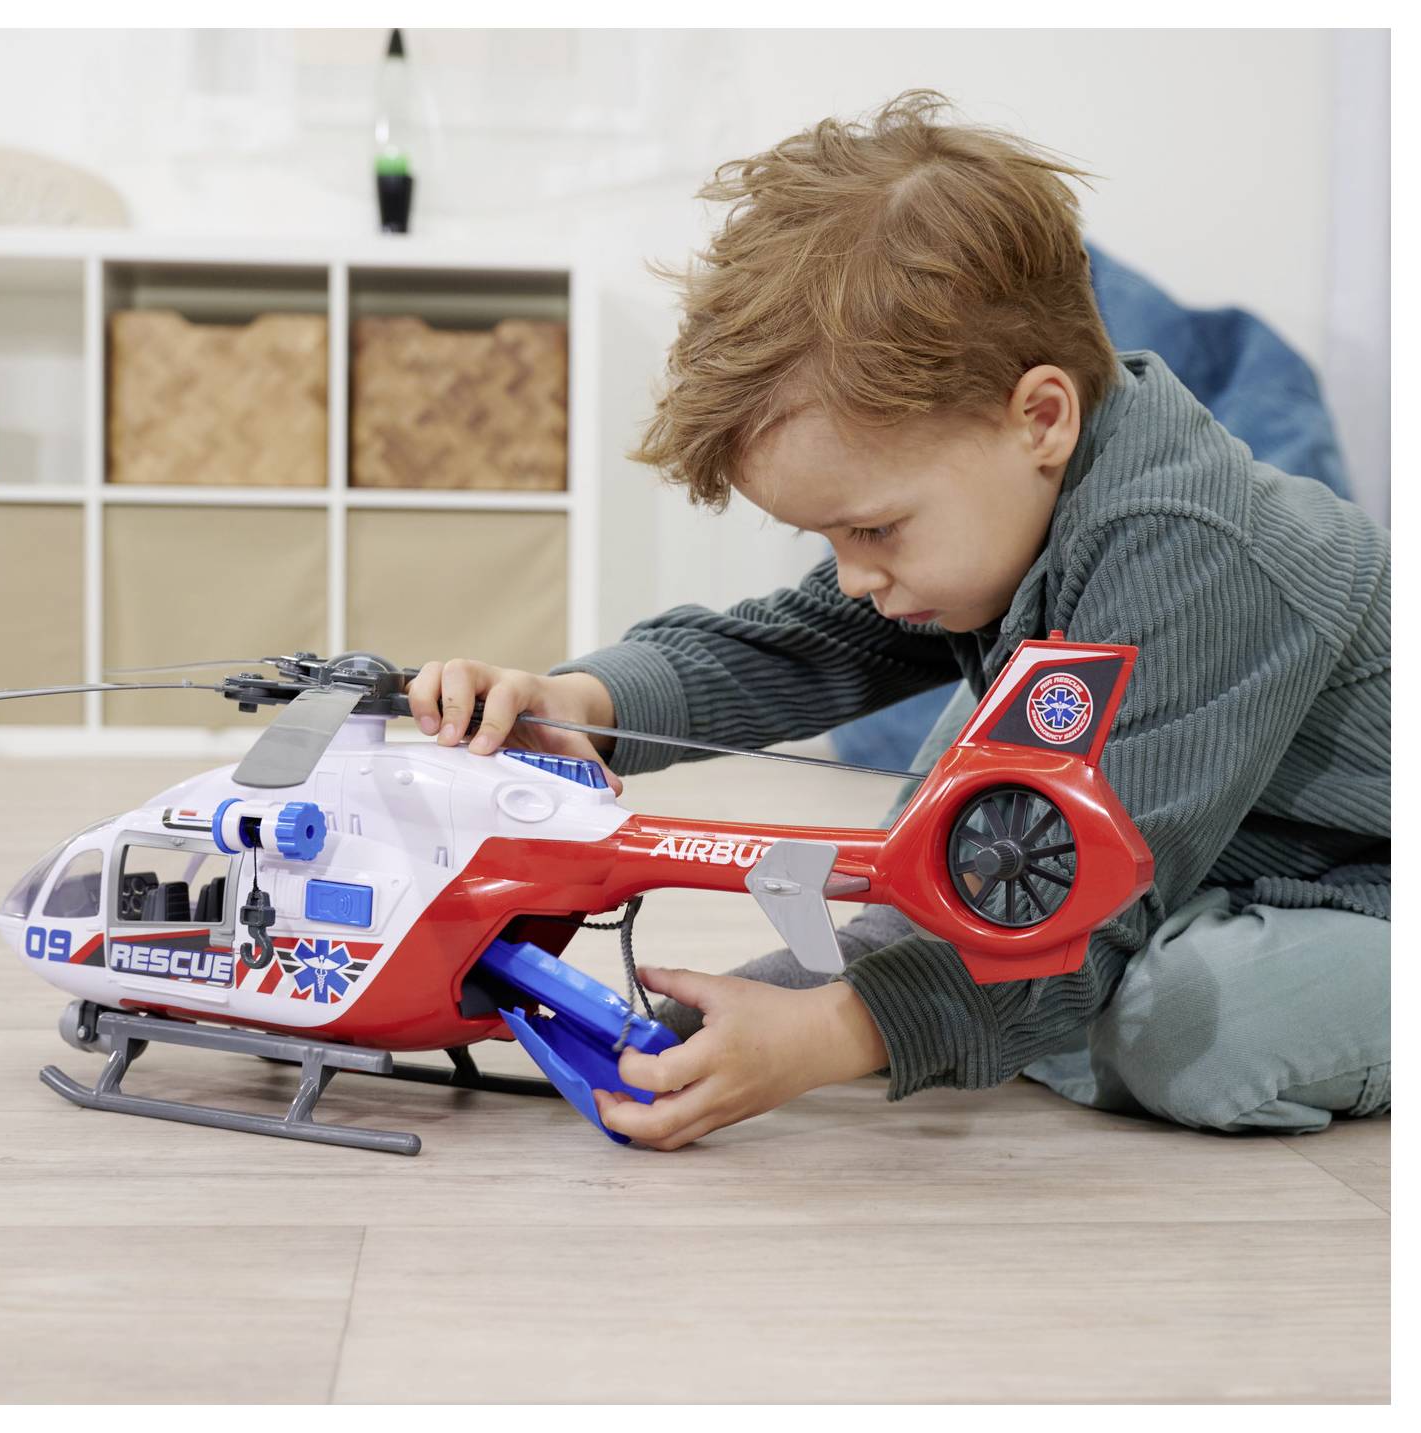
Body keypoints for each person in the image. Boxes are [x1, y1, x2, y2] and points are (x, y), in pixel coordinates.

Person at [406, 91, 1390, 1150]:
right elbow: (802, 640)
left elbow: (1095, 887)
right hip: (1211, 858)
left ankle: (1011, 1000)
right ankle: (996, 992)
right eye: (830, 538)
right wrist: (580, 702)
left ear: (1038, 418)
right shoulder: (1008, 519)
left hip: (1363, 887)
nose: (856, 574)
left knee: (1189, 1035)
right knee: (984, 788)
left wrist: (838, 1030)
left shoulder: (1195, 546)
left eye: (874, 527)